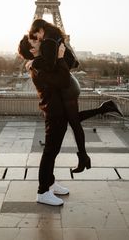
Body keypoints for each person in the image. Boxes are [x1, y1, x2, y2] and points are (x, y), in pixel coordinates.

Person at [28, 19, 123, 172]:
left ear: (40, 29)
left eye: (35, 34)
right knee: (72, 120)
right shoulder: (57, 37)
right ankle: (103, 110)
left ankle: (84, 157)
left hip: (67, 87)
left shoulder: (48, 41)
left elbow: (50, 65)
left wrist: (34, 63)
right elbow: (72, 62)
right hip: (71, 84)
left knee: (74, 122)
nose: (36, 38)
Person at [19, 36, 71, 206]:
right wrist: (61, 57)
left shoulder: (41, 64)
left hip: (57, 110)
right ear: (32, 50)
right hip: (54, 111)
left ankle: (50, 183)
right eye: (36, 42)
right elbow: (63, 80)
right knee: (49, 152)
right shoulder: (38, 67)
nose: (41, 42)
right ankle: (42, 191)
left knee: (53, 152)